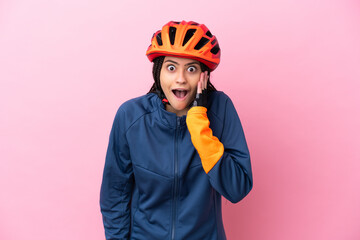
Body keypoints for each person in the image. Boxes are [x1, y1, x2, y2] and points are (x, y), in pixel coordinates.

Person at [100, 20, 253, 240]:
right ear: (158, 71)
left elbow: (237, 188)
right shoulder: (131, 116)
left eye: (191, 69)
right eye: (171, 68)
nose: (180, 79)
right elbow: (114, 194)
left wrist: (199, 126)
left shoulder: (220, 109)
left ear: (204, 75)